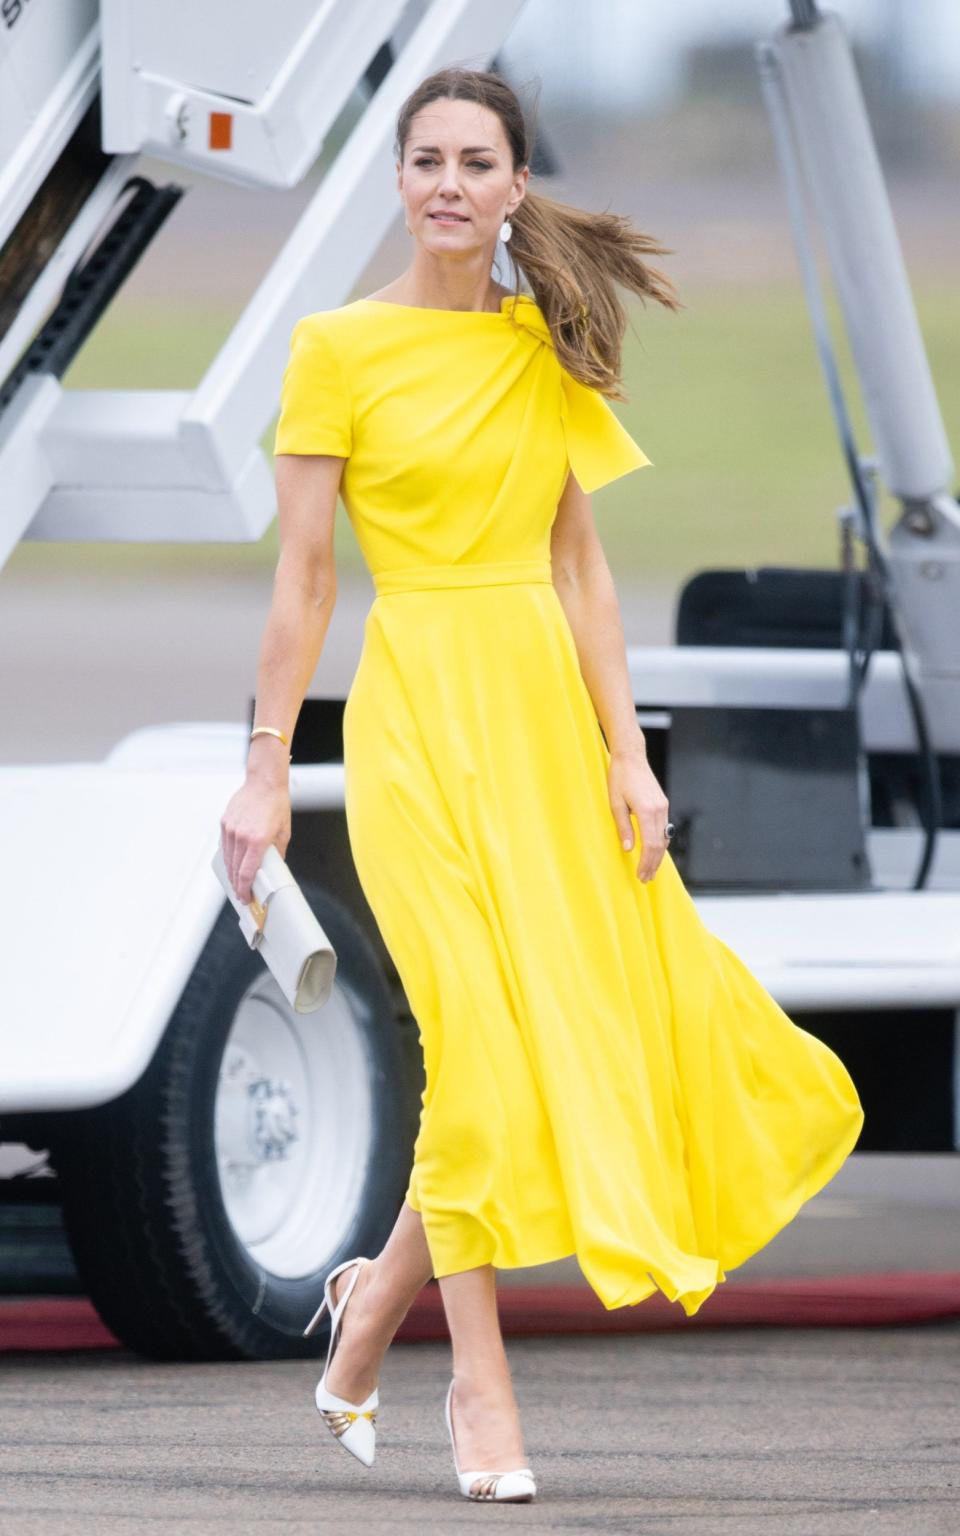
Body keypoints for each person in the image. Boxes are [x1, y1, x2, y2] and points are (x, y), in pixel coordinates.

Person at [219, 65, 865, 1505]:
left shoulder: (544, 347)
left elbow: (580, 567)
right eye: (425, 158)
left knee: (559, 1038)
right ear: (399, 179)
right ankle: (480, 1393)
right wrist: (264, 769)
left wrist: (630, 756)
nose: (447, 182)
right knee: (480, 1063)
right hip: (413, 720)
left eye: (476, 160)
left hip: (541, 726)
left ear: (515, 186)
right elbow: (306, 581)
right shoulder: (335, 349)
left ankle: (367, 1311)